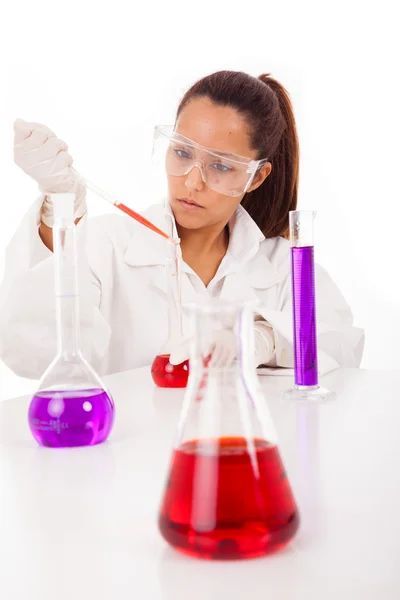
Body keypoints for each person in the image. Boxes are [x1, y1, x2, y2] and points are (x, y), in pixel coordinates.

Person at [0, 71, 364, 379]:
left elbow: (342, 348)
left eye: (221, 166)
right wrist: (59, 210)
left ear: (256, 177)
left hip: (237, 452)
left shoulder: (281, 266)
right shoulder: (108, 245)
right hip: (126, 460)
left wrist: (265, 337)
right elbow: (29, 350)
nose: (192, 182)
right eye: (182, 153)